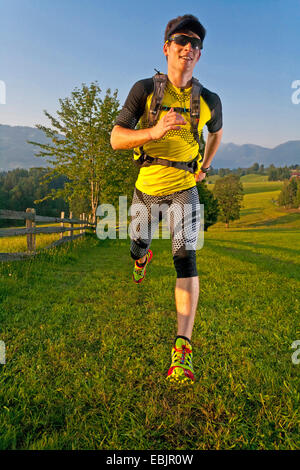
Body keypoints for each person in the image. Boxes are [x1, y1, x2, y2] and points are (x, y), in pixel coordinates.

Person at [111, 14, 223, 384]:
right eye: (181, 40)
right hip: (147, 188)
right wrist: (154, 130)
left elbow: (216, 134)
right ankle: (142, 258)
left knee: (185, 257)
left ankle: (182, 350)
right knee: (136, 244)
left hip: (184, 188)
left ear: (200, 55)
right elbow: (116, 138)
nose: (188, 47)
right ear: (167, 47)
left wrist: (203, 166)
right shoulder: (144, 89)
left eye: (196, 44)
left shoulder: (208, 99)